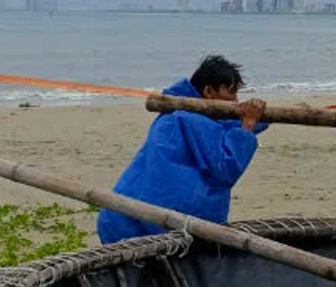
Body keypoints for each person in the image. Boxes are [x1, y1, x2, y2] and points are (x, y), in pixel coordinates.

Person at [97, 55, 269, 244]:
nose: (235, 101)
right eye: (230, 93)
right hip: (156, 224)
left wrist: (256, 121)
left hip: (120, 217)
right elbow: (226, 168)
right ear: (208, 91)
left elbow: (223, 127)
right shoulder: (195, 120)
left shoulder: (173, 115)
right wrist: (247, 126)